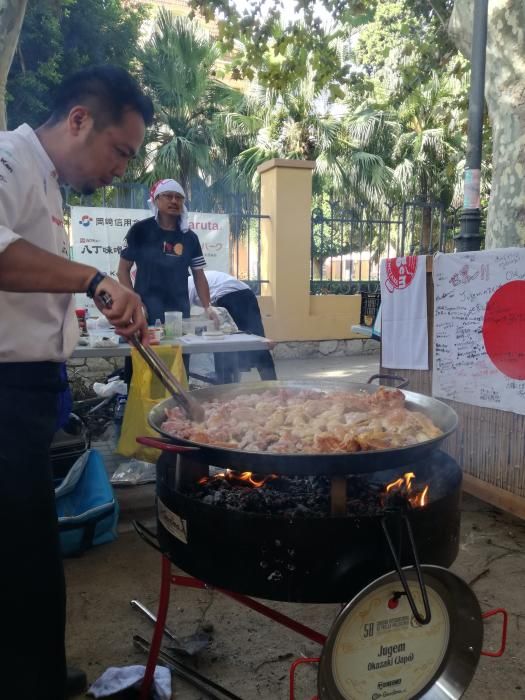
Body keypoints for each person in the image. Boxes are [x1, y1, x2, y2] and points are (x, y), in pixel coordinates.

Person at [0, 65, 153, 700]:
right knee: (20, 558)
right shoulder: (8, 158)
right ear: (80, 120)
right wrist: (95, 278)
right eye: (121, 151)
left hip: (32, 392)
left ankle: (35, 670)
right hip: (4, 396)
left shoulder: (48, 184)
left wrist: (99, 304)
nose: (122, 169)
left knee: (29, 552)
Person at [118, 178, 218, 325]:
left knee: (179, 348)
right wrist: (135, 303)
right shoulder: (140, 231)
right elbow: (122, 271)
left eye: (178, 197)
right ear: (156, 200)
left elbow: (199, 275)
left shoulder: (189, 237)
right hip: (145, 311)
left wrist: (208, 307)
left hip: (179, 313)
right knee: (148, 347)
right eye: (168, 196)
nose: (174, 201)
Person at [188, 270, 277, 381]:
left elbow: (184, 313)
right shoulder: (199, 279)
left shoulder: (189, 282)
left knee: (229, 342)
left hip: (232, 296)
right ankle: (271, 382)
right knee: (258, 340)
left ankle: (226, 383)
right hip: (246, 293)